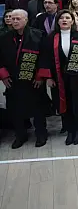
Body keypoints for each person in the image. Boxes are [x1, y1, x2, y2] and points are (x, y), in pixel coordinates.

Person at [37, 9, 78, 145]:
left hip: (77, 77)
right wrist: (49, 78)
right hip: (59, 78)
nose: (64, 20)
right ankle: (69, 130)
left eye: (67, 18)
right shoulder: (51, 37)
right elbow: (45, 58)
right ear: (58, 21)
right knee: (64, 103)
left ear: (72, 21)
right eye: (61, 18)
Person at [0, 9, 48, 148]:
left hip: (33, 80)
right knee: (15, 109)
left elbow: (45, 57)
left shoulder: (38, 35)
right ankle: (20, 135)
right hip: (13, 80)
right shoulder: (4, 38)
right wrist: (3, 75)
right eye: (12, 19)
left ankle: (41, 134)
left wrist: (40, 76)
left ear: (26, 20)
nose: (14, 21)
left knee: (38, 108)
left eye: (17, 19)